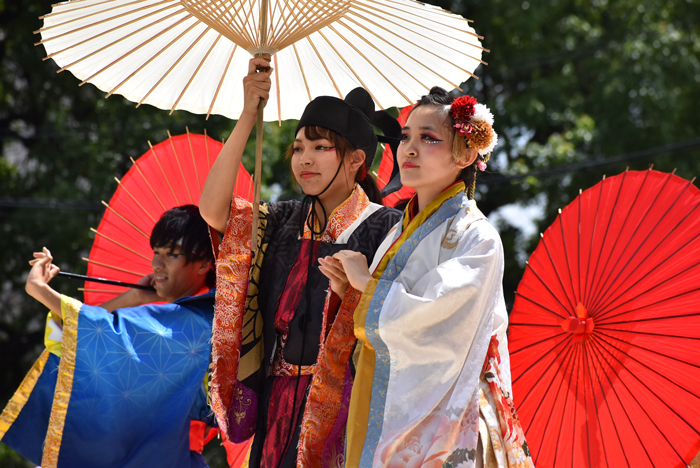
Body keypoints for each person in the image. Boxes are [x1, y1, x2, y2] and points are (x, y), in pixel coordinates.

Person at [199, 57, 402, 468]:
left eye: (320, 147)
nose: (304, 159)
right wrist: (247, 115)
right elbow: (213, 210)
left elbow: (398, 322)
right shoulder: (281, 220)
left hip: (348, 408)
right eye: (298, 148)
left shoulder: (388, 227)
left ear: (356, 160)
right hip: (280, 403)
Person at [320, 87, 535, 468]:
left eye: (428, 138)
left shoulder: (476, 236)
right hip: (393, 404)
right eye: (405, 138)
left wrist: (366, 286)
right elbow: (382, 317)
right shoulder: (398, 230)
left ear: (466, 153)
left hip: (452, 410)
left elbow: (439, 319)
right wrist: (347, 291)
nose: (410, 149)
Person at [0, 205, 231, 468]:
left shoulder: (194, 323)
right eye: (156, 252)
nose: (157, 264)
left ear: (204, 261)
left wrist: (41, 290)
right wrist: (132, 298)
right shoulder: (193, 316)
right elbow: (82, 337)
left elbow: (103, 336)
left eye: (172, 254)